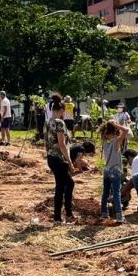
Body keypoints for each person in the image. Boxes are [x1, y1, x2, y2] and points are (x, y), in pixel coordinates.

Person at [45, 95, 76, 224]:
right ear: (60, 110)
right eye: (63, 111)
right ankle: (66, 215)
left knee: (61, 186)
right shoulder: (59, 123)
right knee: (68, 184)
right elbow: (62, 144)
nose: (64, 114)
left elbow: (47, 142)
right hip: (58, 159)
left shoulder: (47, 122)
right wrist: (69, 162)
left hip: (51, 158)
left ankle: (59, 216)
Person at [99, 121, 129, 224]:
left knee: (105, 193)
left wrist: (109, 125)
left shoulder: (104, 141)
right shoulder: (116, 142)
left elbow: (103, 133)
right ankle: (119, 216)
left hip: (106, 171)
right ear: (114, 132)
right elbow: (126, 130)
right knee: (116, 194)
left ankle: (104, 214)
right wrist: (115, 124)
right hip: (115, 171)